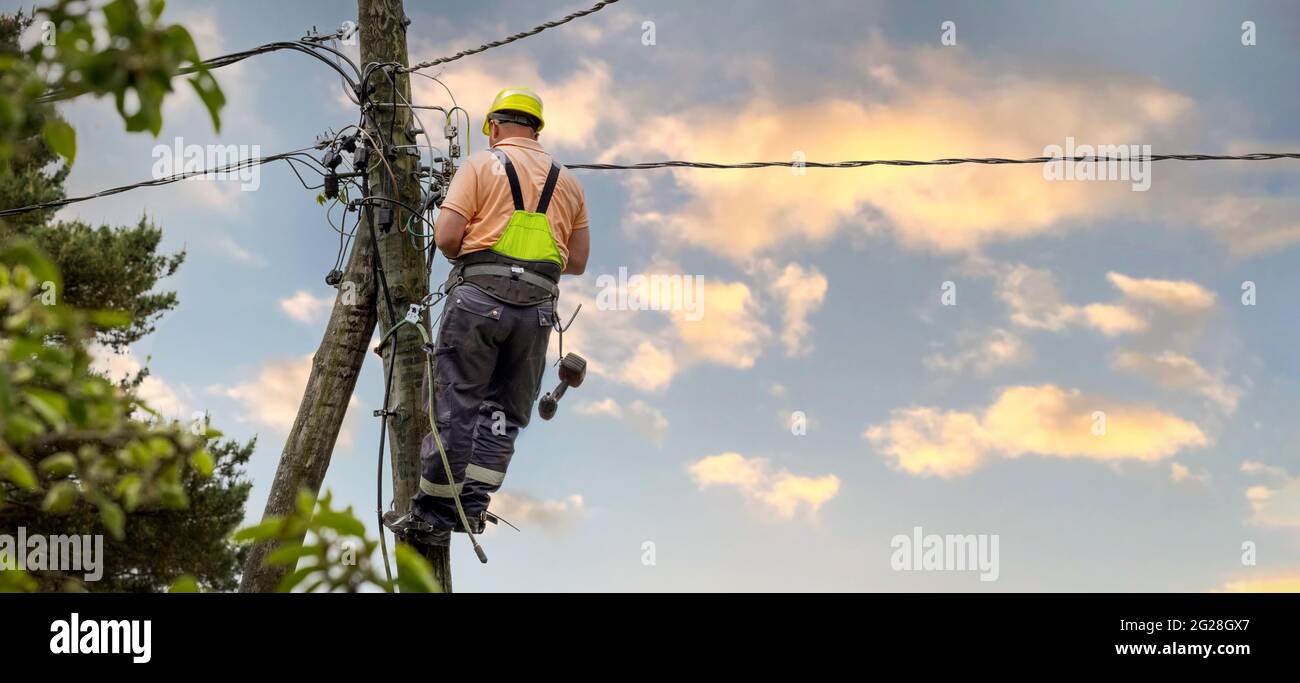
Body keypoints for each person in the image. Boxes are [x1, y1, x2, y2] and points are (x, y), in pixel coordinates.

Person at [384, 87, 590, 547]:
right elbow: (576, 262)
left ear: (494, 126)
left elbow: (447, 238)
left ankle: (434, 515)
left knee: (456, 402)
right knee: (502, 413)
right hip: (536, 311)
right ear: (537, 129)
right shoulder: (570, 183)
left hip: (479, 298)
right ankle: (471, 507)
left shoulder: (481, 164)